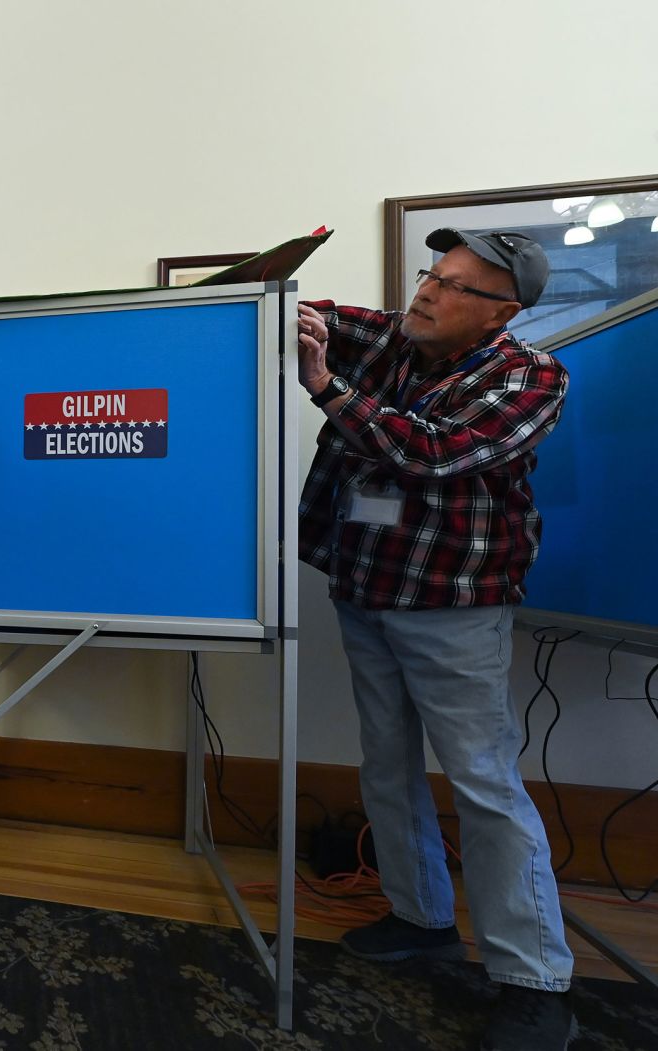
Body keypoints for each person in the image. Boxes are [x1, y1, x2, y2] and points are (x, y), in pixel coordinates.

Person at [296, 229, 576, 1051]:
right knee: (385, 761)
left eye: (453, 285)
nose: (426, 292)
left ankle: (533, 978)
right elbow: (304, 315)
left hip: (454, 606)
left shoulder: (530, 377)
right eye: (432, 274)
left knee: (484, 781)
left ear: (502, 312)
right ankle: (420, 917)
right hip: (364, 591)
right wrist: (273, 307)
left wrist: (326, 387)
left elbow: (434, 453)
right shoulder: (394, 337)